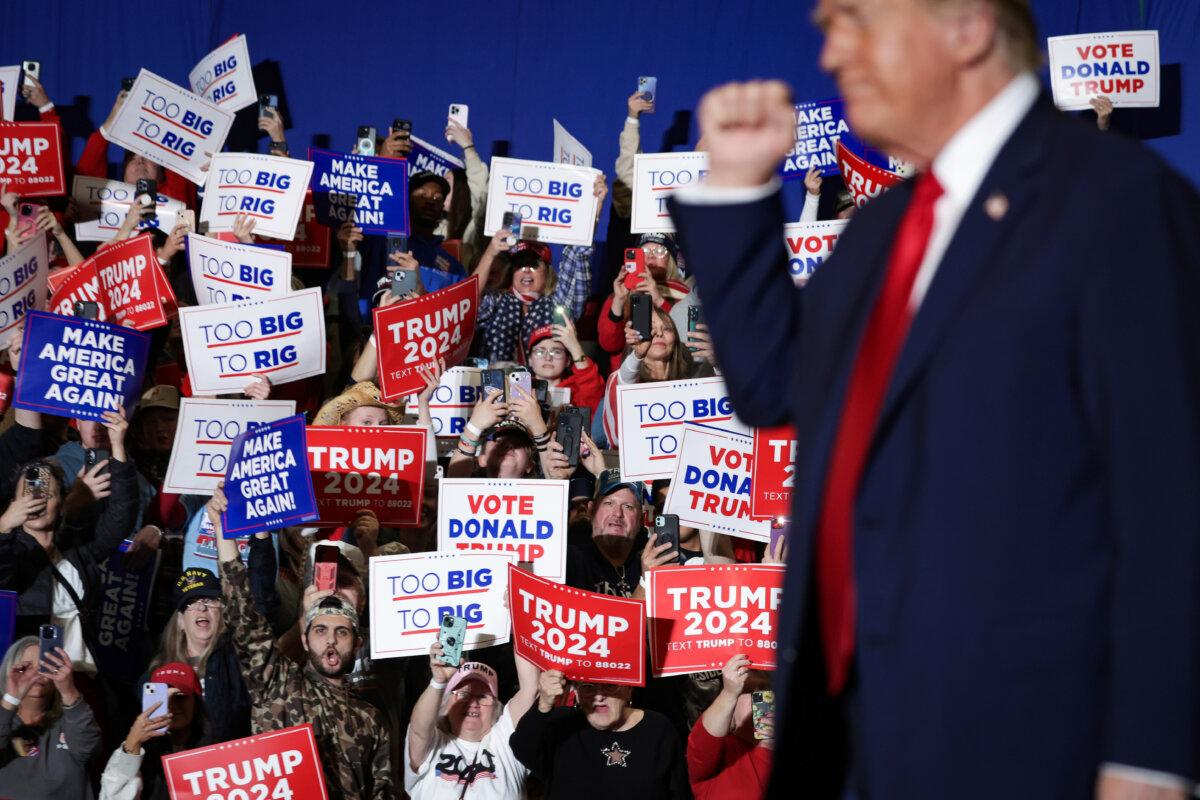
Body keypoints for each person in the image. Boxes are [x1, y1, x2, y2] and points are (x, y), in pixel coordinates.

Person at [667, 0, 1200, 797]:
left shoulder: (1114, 200)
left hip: (1024, 747)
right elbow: (774, 384)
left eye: (855, 20)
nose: (830, 54)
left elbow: (1172, 498)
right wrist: (740, 192)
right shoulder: (884, 229)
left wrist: (1148, 762)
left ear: (967, 27)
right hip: (847, 746)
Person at [209, 485, 393, 798]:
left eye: (342, 632)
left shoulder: (371, 718)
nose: (331, 641)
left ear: (357, 642)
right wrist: (222, 529)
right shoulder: (278, 683)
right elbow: (244, 614)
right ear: (305, 640)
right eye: (320, 631)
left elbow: (384, 790)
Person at [510, 668, 689, 799]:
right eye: (588, 687)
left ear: (629, 688)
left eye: (609, 686)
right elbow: (522, 748)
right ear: (577, 693)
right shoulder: (561, 725)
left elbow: (679, 794)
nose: (599, 696)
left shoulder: (658, 729)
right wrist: (543, 704)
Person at [404, 643, 539, 798]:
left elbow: (531, 689)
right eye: (463, 695)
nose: (473, 703)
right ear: (445, 705)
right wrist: (438, 682)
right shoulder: (434, 744)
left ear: (497, 708)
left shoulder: (505, 741)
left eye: (482, 696)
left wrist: (518, 624)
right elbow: (418, 731)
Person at [146, 568, 254, 743]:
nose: (202, 607)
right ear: (180, 621)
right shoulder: (156, 672)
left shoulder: (241, 659)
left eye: (209, 600)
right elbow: (153, 733)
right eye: (191, 603)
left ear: (223, 613)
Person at [0, 638, 101, 799]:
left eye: (44, 666)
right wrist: (11, 698)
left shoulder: (71, 719)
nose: (36, 674)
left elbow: (88, 749)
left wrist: (69, 691)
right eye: (26, 667)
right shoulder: (4, 717)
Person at [98, 661, 209, 800]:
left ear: (196, 704)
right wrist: (133, 744)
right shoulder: (138, 751)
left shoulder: (216, 750)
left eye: (180, 696)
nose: (171, 705)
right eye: (162, 698)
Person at [686, 655, 772, 800]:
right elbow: (705, 738)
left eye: (767, 689)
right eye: (749, 691)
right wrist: (729, 693)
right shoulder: (721, 751)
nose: (763, 699)